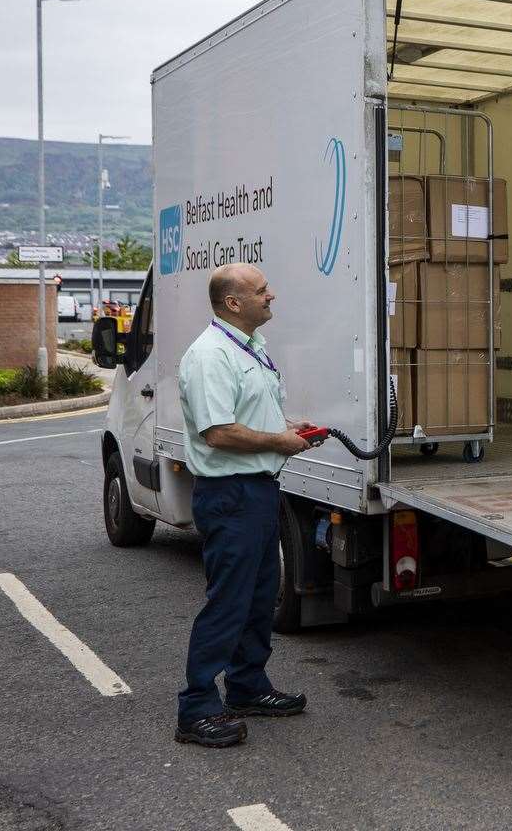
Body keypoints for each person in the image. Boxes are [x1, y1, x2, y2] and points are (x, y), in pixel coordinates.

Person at [174, 263, 317, 748]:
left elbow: (244, 415)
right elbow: (218, 432)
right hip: (231, 494)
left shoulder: (247, 347)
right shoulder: (210, 356)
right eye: (261, 290)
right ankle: (196, 709)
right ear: (233, 303)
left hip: (257, 491)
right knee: (229, 603)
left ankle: (247, 687)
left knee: (259, 598)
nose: (271, 295)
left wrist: (287, 427)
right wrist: (278, 441)